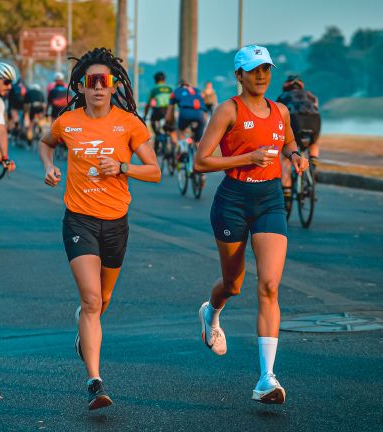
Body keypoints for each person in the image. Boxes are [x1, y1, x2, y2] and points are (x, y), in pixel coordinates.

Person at [38, 47, 161, 410]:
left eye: (103, 81)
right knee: (91, 300)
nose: (97, 88)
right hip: (79, 219)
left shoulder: (129, 124)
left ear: (112, 85)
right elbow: (46, 144)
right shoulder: (68, 122)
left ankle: (84, 332)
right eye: (90, 82)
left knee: (102, 301)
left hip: (116, 223)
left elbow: (153, 171)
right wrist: (49, 166)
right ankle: (95, 381)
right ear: (81, 85)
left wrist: (123, 167)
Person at [193, 45, 308, 405]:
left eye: (266, 69)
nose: (262, 75)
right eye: (254, 69)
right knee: (234, 284)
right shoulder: (228, 110)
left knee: (270, 285)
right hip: (232, 201)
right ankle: (211, 312)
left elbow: (286, 137)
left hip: (270, 200)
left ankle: (266, 379)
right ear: (239, 75)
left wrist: (294, 154)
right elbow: (201, 162)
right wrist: (248, 157)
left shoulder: (281, 111)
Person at [276, 75, 321, 196]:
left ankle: (287, 190)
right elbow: (316, 107)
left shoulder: (283, 96)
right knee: (314, 141)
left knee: (286, 156)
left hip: (295, 122)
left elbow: (277, 116)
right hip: (314, 121)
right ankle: (313, 164)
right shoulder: (311, 95)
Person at [166, 79, 207, 153]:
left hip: (185, 113)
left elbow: (169, 113)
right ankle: (199, 154)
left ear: (179, 86)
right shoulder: (198, 91)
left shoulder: (176, 91)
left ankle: (183, 149)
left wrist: (168, 121)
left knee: (181, 130)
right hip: (200, 114)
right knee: (198, 141)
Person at [143, 72, 173, 139]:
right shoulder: (170, 88)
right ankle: (171, 141)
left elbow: (148, 104)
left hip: (159, 110)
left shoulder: (154, 89)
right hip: (170, 110)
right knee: (171, 128)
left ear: (155, 80)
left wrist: (145, 115)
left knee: (153, 121)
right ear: (164, 80)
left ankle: (158, 135)